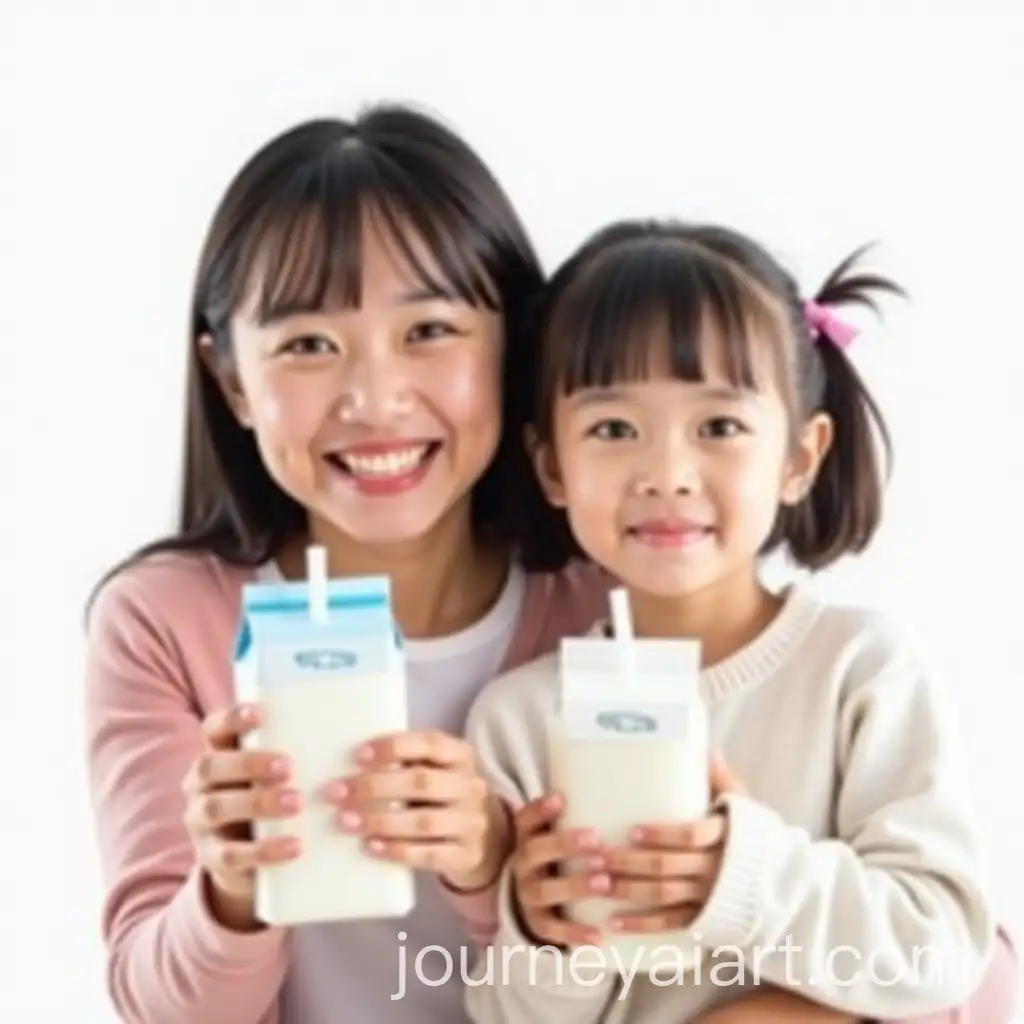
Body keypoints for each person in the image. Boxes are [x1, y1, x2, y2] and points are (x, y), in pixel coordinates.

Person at [82, 104, 1016, 1024]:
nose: (375, 397)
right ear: (232, 379)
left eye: (430, 330)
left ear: (512, 349)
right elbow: (164, 1008)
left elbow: (967, 969)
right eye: (308, 345)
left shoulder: (636, 595)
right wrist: (234, 889)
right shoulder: (171, 622)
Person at [460, 219, 1019, 1023]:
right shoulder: (519, 720)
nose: (666, 474)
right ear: (552, 465)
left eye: (718, 427)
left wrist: (740, 872)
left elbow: (938, 951)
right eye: (613, 430)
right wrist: (550, 939)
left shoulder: (860, 671)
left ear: (799, 457)